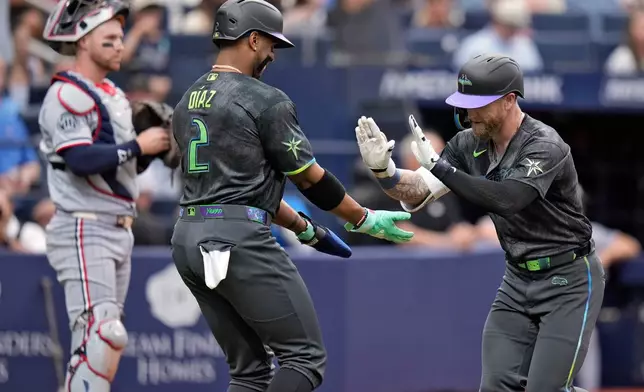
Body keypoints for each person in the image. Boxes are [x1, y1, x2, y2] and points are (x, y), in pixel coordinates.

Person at [169, 1, 413, 392]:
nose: (271, 55)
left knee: (249, 373)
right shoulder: (266, 99)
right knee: (304, 359)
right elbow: (310, 179)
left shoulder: (186, 101)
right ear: (252, 39)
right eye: (269, 45)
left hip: (188, 237)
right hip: (239, 240)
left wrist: (304, 228)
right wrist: (362, 217)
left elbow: (236, 190)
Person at [354, 53, 604, 392]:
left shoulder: (544, 144)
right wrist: (384, 171)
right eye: (464, 104)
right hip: (518, 279)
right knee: (496, 385)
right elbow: (416, 193)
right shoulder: (468, 142)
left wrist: (441, 168)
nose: (469, 114)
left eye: (478, 104)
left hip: (568, 277)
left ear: (509, 100)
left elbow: (508, 199)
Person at [39, 1, 171, 391]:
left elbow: (121, 168)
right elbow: (80, 159)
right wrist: (138, 146)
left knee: (98, 343)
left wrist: (151, 151)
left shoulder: (112, 93)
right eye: (108, 39)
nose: (119, 45)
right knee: (103, 335)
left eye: (120, 38)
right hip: (84, 224)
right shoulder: (67, 93)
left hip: (117, 226)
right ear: (82, 42)